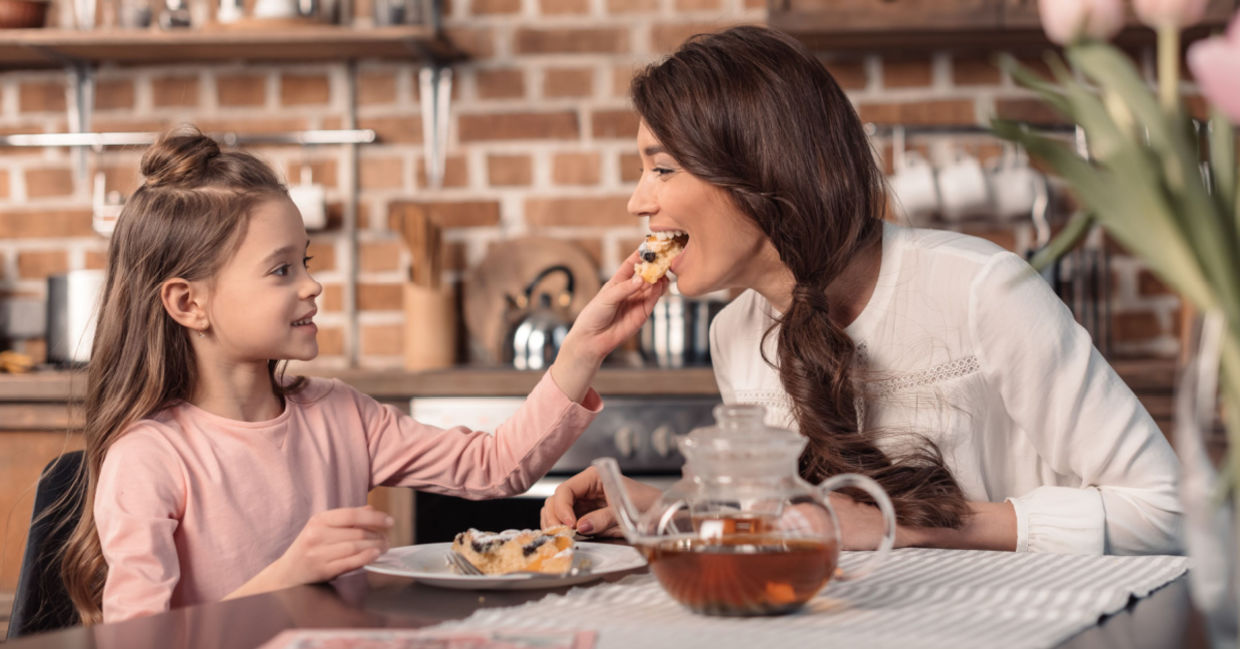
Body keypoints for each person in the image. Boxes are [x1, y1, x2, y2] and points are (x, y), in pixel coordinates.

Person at [541, 25, 1182, 556]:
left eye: (661, 168)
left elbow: (1167, 512)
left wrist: (913, 527)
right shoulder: (733, 333)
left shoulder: (982, 290)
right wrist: (671, 510)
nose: (636, 202)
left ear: (757, 169)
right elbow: (802, 521)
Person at [59, 127, 667, 624]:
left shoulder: (340, 414)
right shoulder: (150, 459)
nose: (312, 284)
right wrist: (286, 580)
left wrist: (583, 345)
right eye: (280, 270)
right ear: (189, 303)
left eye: (306, 261)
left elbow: (497, 466)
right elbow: (138, 642)